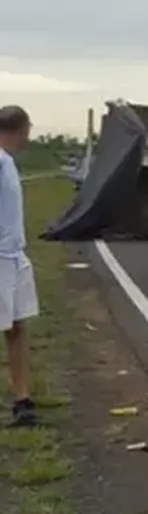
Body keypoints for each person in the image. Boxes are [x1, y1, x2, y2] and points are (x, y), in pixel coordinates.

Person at [0, 105, 38, 428]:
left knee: (17, 328)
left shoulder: (8, 163)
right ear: (21, 129)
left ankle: (22, 399)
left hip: (14, 256)